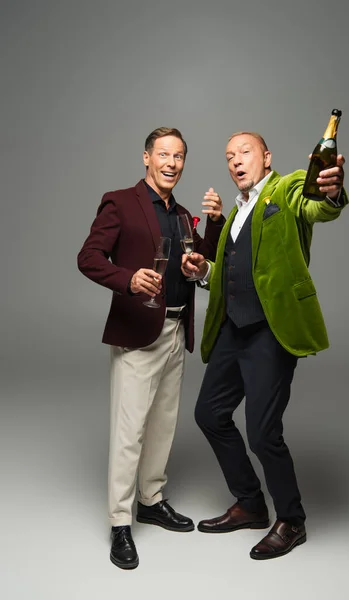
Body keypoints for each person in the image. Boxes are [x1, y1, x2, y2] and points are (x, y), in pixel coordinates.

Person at [181, 131, 348, 560]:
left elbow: (316, 204)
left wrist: (330, 191)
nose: (235, 160)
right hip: (231, 331)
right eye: (228, 156)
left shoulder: (287, 187)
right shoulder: (236, 213)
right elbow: (232, 272)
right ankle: (251, 504)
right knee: (209, 414)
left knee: (262, 432)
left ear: (266, 156)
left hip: (271, 332)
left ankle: (291, 520)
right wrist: (204, 270)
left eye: (245, 152)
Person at [77, 127, 224, 569]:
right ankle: (120, 522)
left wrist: (213, 226)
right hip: (138, 331)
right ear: (146, 157)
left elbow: (200, 259)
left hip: (177, 329)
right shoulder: (120, 201)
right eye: (164, 154)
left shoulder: (180, 214)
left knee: (162, 425)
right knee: (130, 432)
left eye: (179, 156)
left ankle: (151, 500)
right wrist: (127, 279)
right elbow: (88, 257)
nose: (172, 163)